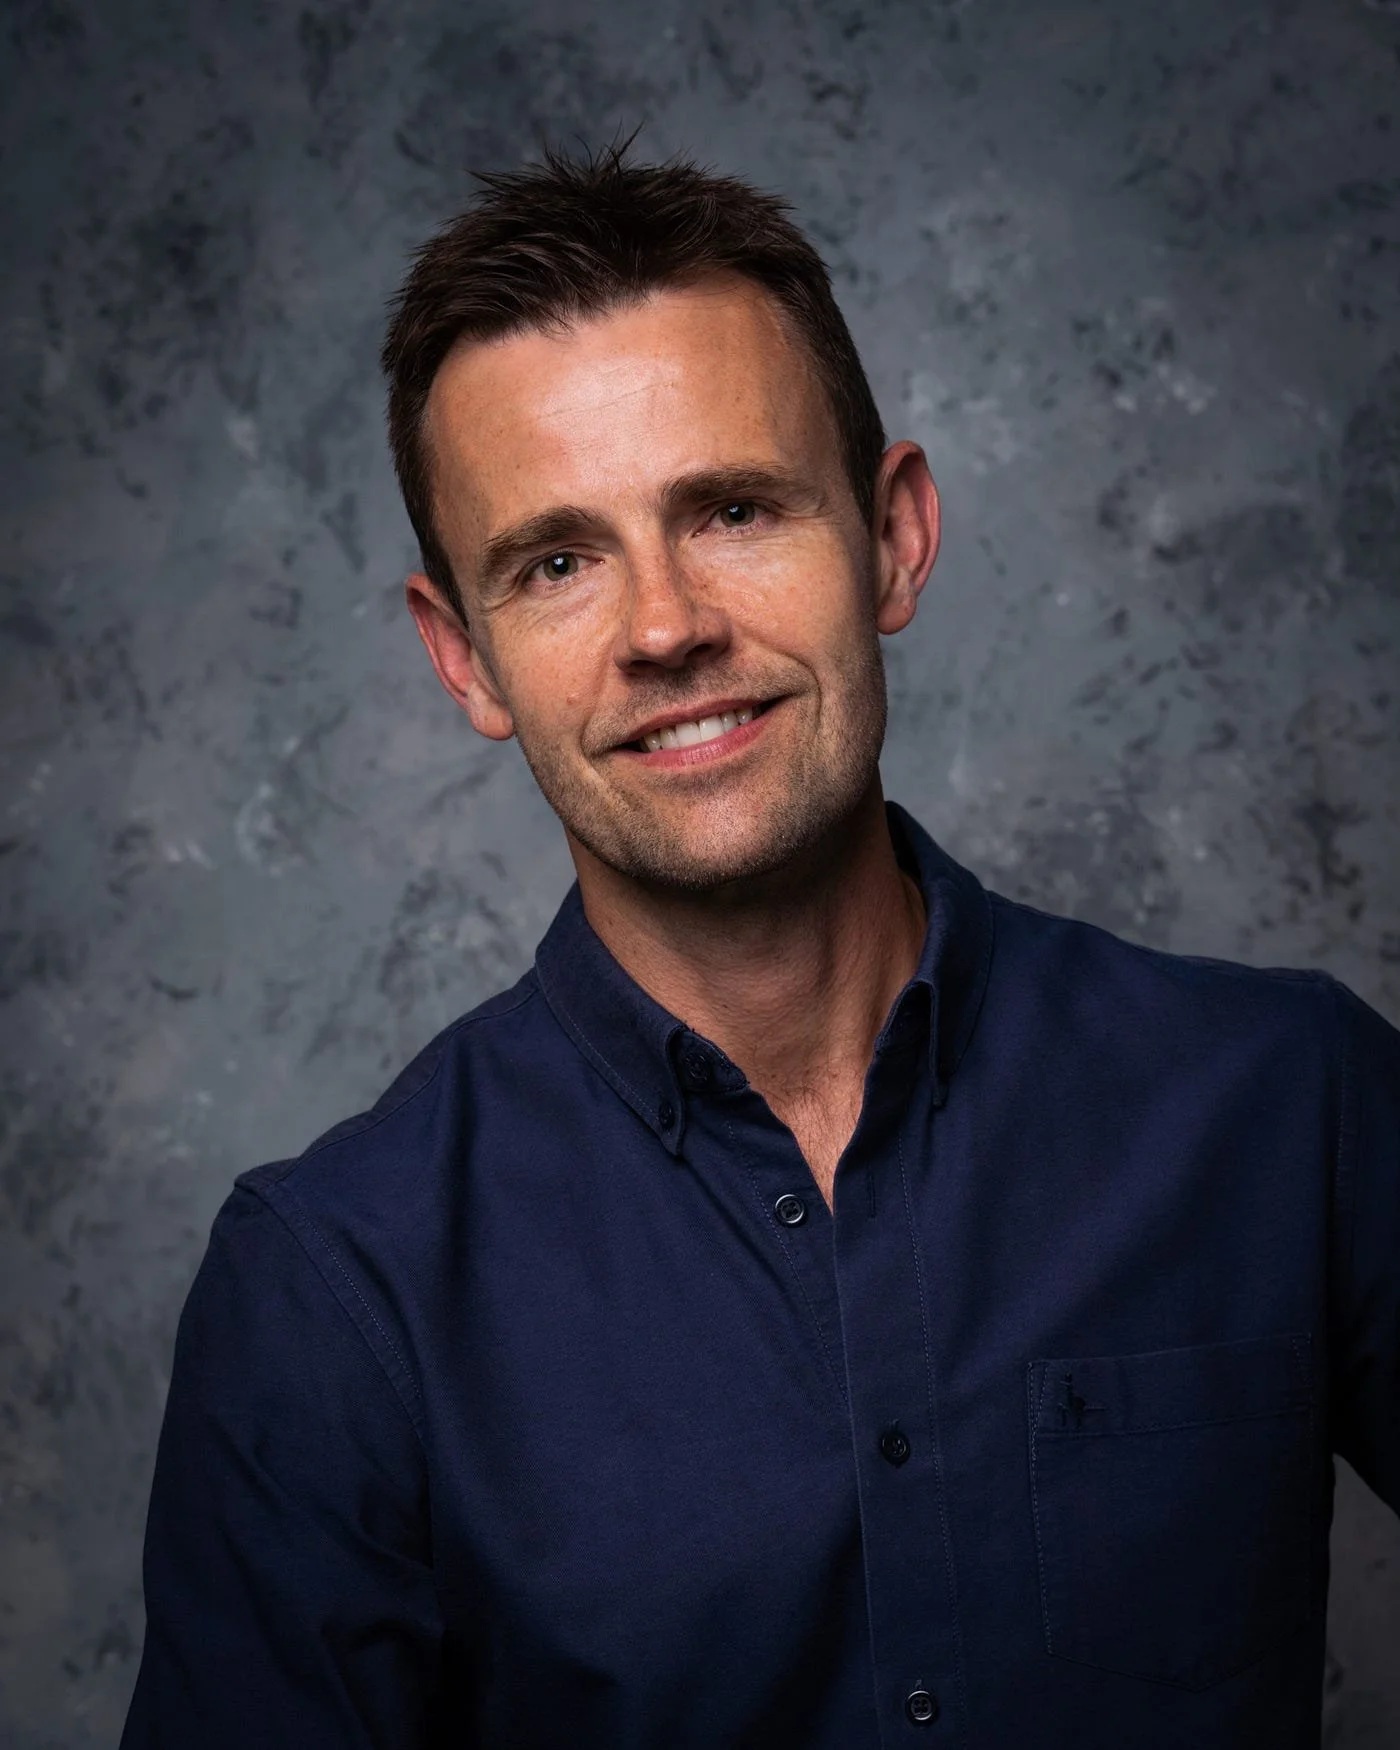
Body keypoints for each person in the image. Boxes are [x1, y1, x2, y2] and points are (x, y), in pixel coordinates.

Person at [121, 144, 1398, 1750]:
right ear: (466, 658)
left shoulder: (1293, 1104)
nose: (665, 628)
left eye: (730, 507)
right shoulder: (333, 1293)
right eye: (559, 560)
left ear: (894, 539)